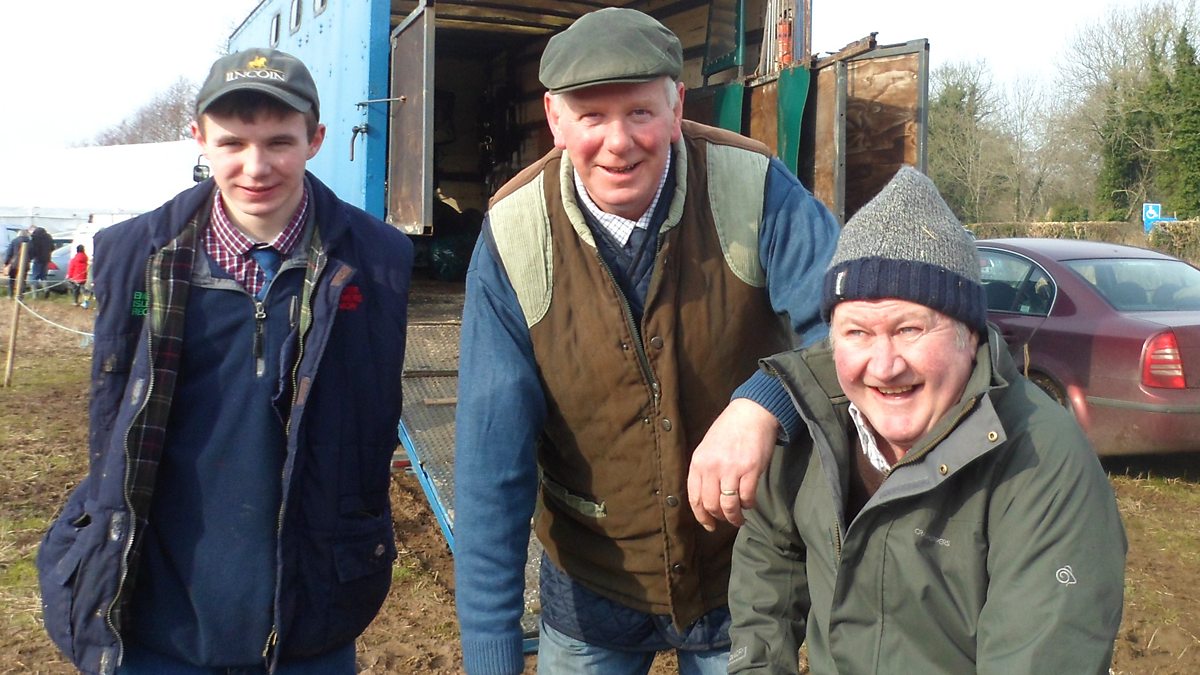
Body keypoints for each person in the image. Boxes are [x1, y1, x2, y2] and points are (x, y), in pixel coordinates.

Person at [452, 8, 839, 673]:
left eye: (639, 112)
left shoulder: (754, 187)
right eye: (591, 117)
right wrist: (490, 652)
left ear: (677, 104)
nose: (618, 142)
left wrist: (768, 400)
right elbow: (492, 462)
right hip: (593, 584)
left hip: (741, 573)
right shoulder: (515, 235)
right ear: (554, 119)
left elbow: (854, 324)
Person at [37, 47, 414, 674]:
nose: (255, 167)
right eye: (232, 142)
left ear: (316, 140)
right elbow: (113, 423)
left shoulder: (378, 261)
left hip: (310, 612)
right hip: (152, 617)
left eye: (279, 142)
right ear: (199, 140)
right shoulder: (133, 256)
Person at [727, 166, 1127, 673]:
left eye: (910, 329)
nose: (884, 366)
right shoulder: (814, 422)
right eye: (856, 333)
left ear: (969, 334)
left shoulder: (1042, 463)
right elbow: (768, 555)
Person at [27, 225, 54, 298]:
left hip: (38, 259)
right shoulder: (48, 237)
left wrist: (31, 257)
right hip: (46, 259)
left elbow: (32, 248)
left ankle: (34, 295)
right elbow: (52, 247)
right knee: (43, 276)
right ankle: (46, 289)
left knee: (34, 277)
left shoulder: (35, 237)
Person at [3, 228, 30, 297]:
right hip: (25, 264)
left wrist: (6, 262)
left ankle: (10, 294)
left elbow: (9, 253)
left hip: (14, 264)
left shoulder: (14, 241)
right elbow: (32, 253)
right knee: (23, 280)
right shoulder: (30, 242)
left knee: (12, 279)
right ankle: (21, 295)